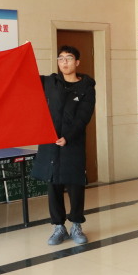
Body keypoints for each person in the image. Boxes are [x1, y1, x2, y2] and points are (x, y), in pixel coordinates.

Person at [33, 46, 97, 246]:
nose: (64, 62)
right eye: (60, 59)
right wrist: (23, 53)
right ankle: (58, 227)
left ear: (77, 62)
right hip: (50, 142)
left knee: (75, 184)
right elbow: (24, 78)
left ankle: (76, 225)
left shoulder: (86, 87)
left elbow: (84, 116)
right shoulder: (49, 82)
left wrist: (68, 137)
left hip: (73, 143)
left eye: (69, 58)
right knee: (53, 184)